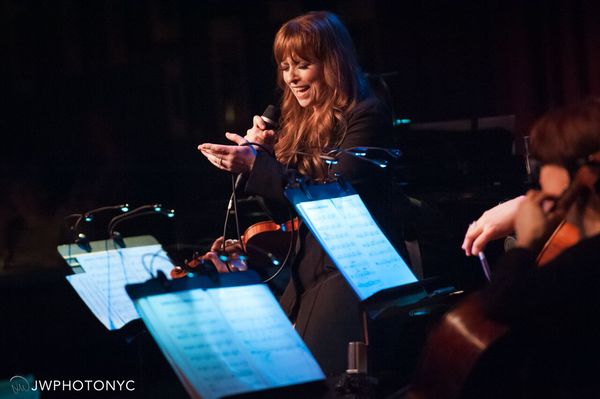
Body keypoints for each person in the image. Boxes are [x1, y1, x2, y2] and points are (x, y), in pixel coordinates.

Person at [198, 11, 405, 374]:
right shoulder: (298, 123)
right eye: (285, 66)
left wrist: (255, 165)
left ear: (332, 63)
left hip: (350, 273)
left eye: (302, 65)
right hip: (308, 271)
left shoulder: (367, 115)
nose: (291, 77)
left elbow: (335, 195)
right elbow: (287, 212)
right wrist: (261, 156)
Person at [467, 97, 600, 397]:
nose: (537, 179)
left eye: (544, 163)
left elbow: (500, 305)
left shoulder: (586, 261)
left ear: (583, 174)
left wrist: (526, 243)